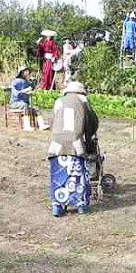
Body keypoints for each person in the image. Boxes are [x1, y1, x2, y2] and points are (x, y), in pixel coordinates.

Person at [48, 81, 98, 217]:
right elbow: (91, 122)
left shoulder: (59, 101)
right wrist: (89, 138)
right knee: (78, 175)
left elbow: (55, 121)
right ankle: (81, 205)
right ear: (81, 91)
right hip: (76, 143)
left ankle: (57, 206)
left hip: (56, 144)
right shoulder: (83, 100)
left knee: (59, 175)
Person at [10, 65, 49, 131]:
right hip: (15, 103)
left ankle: (41, 125)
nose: (27, 72)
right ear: (21, 73)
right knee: (25, 106)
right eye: (25, 71)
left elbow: (33, 85)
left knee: (35, 108)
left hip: (25, 103)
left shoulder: (27, 82)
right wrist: (24, 91)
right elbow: (15, 93)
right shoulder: (15, 82)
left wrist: (34, 81)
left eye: (28, 71)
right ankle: (27, 126)